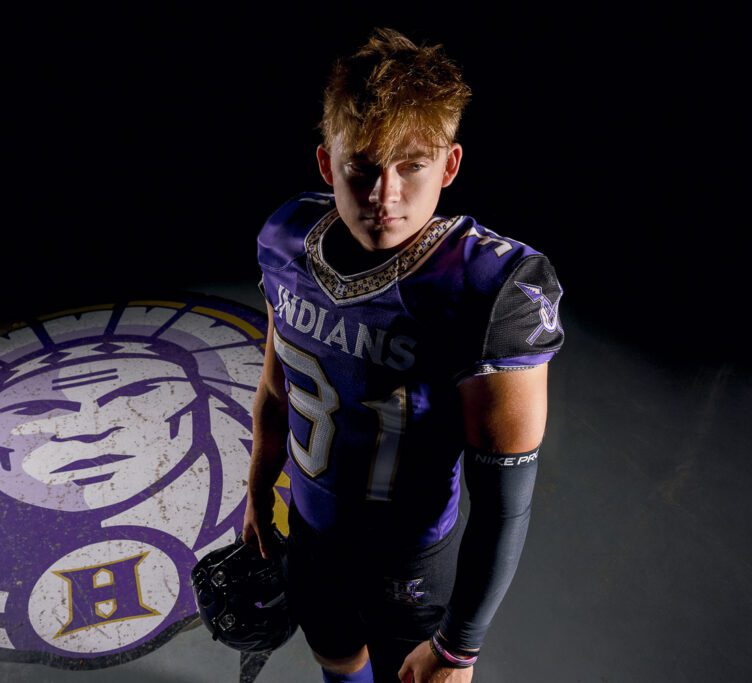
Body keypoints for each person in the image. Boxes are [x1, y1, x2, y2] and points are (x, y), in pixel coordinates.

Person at [242, 27, 564, 683]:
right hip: (310, 528)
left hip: (409, 565)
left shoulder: (491, 290)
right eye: (362, 166)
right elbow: (276, 391)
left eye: (412, 165)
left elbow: (503, 503)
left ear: (449, 166)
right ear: (327, 164)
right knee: (337, 660)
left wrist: (460, 646)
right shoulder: (286, 240)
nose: (384, 195)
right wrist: (257, 493)